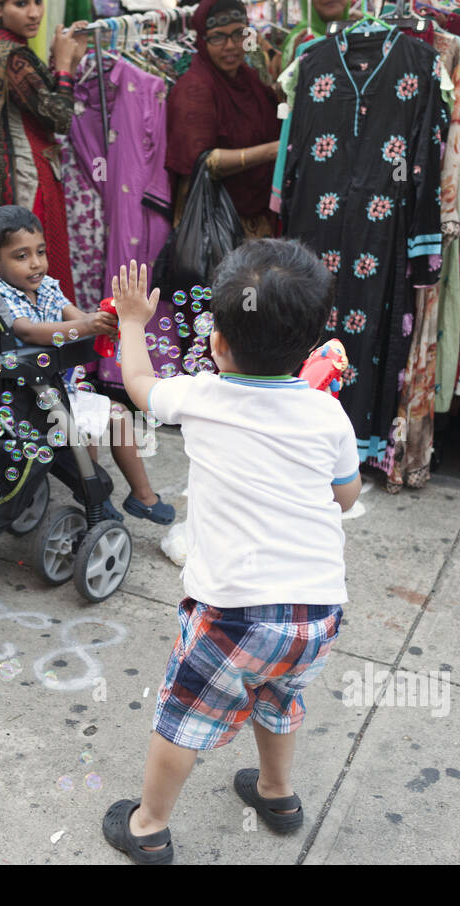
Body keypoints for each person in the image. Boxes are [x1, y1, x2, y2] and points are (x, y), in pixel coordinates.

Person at [102, 242, 359, 864]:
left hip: (233, 613)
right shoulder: (328, 414)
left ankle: (148, 827)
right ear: (311, 347)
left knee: (184, 717)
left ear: (218, 345)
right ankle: (277, 795)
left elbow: (139, 385)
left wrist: (133, 321)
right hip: (316, 613)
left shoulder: (202, 397)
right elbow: (345, 498)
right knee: (278, 699)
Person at [0, 205, 176, 524]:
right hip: (26, 404)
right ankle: (105, 498)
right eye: (21, 256)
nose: (35, 263)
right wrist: (87, 327)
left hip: (57, 393)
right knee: (106, 418)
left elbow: (77, 317)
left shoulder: (46, 287)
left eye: (40, 252)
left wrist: (110, 321)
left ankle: (130, 496)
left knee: (111, 417)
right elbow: (28, 330)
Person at [0, 0, 89, 302]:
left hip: (25, 173)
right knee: (38, 271)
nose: (34, 13)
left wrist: (66, 60)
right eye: (21, 4)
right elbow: (59, 118)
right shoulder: (12, 57)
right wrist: (64, 67)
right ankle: (54, 339)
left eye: (38, 2)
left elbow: (40, 103)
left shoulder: (5, 49)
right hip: (30, 179)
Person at [165, 0, 282, 241]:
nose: (230, 46)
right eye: (217, 37)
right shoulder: (194, 88)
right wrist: (270, 152)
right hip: (215, 229)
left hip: (257, 221)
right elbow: (201, 163)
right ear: (202, 40)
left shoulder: (249, 79)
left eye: (239, 34)